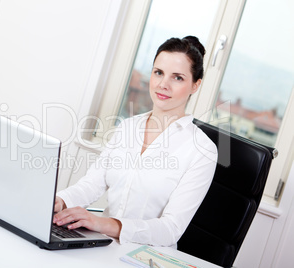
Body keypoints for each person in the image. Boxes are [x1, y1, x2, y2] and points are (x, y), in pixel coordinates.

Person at [53, 36, 218, 248]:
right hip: (103, 244)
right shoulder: (128, 127)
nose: (163, 84)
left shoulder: (202, 150)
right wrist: (59, 201)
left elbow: (171, 229)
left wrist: (104, 224)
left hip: (147, 255)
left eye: (177, 78)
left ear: (195, 85)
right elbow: (92, 184)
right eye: (158, 73)